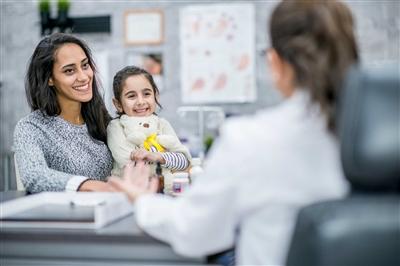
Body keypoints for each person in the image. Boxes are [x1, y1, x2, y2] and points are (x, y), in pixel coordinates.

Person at [109, 0, 359, 265]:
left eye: (147, 93)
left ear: (275, 62)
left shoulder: (247, 140)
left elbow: (195, 231)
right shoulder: (378, 136)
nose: (141, 102)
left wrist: (143, 201)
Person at [13, 33, 114, 193]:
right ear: (49, 79)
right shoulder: (31, 127)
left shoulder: (101, 117)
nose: (83, 76)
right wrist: (94, 186)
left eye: (85, 65)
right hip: (65, 216)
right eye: (69, 71)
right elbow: (34, 176)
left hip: (109, 211)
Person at [107, 66, 191, 194]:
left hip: (165, 193)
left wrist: (157, 156)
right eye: (131, 96)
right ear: (118, 104)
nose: (141, 101)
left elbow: (184, 161)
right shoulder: (116, 127)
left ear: (155, 96)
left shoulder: (162, 125)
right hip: (130, 195)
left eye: (146, 94)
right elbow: (127, 162)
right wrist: (166, 159)